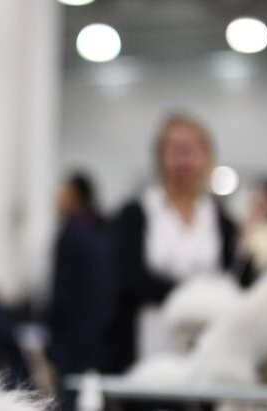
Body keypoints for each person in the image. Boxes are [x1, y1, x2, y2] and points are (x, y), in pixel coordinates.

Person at [110, 114, 254, 373]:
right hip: (148, 345)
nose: (185, 159)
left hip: (208, 347)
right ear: (161, 157)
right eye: (177, 150)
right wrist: (199, 296)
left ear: (207, 157)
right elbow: (130, 278)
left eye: (194, 150)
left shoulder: (222, 221)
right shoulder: (136, 213)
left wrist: (248, 245)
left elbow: (237, 280)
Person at [47, 173, 114, 409]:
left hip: (72, 338)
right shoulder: (101, 230)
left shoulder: (72, 234)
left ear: (76, 196)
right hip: (100, 335)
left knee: (70, 399)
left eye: (62, 192)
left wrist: (53, 339)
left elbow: (62, 292)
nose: (57, 199)